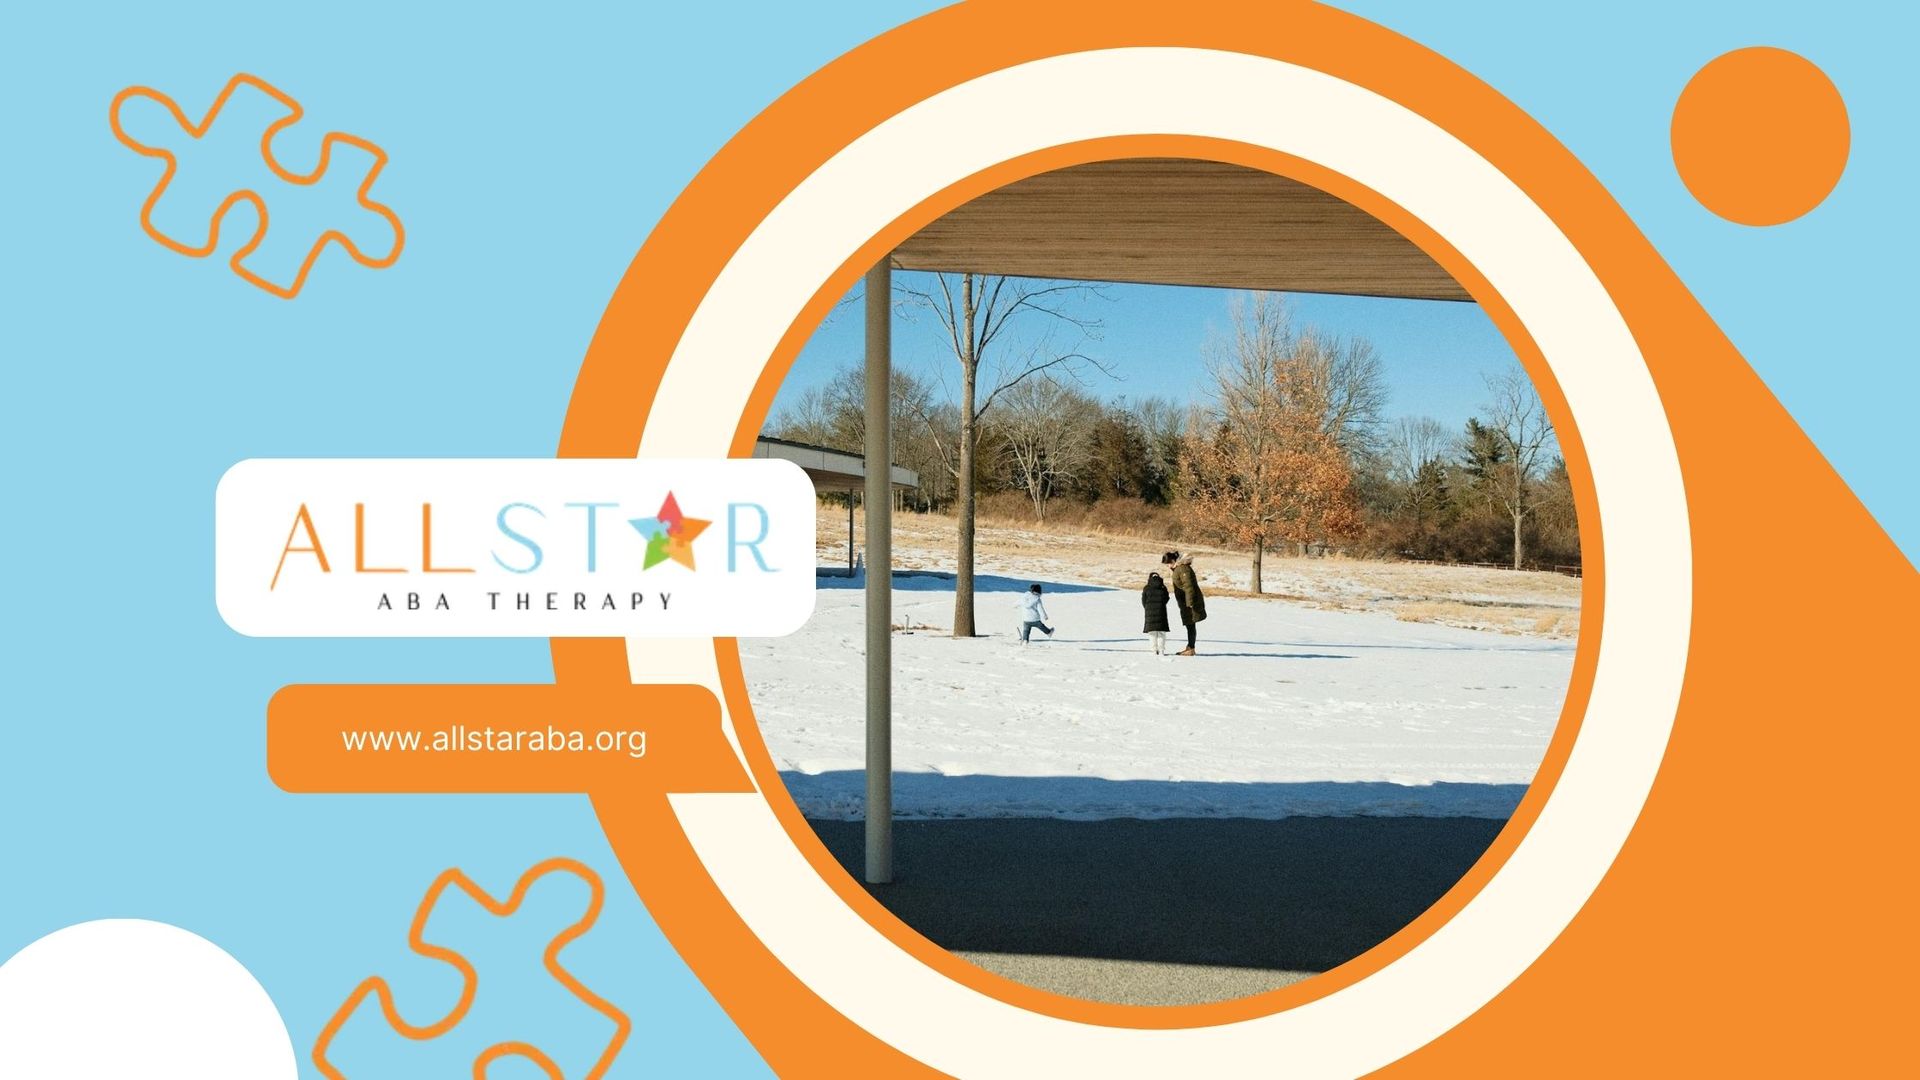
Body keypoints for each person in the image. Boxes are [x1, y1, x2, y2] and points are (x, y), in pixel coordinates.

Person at [1162, 550, 1206, 656]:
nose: (1168, 566)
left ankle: (1191, 648)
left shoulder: (1182, 569)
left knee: (1191, 624)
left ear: (1173, 561)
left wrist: (1190, 602)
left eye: (1168, 563)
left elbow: (1189, 586)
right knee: (1190, 624)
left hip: (1189, 603)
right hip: (1185, 602)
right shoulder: (1179, 568)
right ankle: (1190, 647)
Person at [1141, 570, 1171, 655]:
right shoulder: (1163, 587)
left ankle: (1154, 650)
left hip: (1149, 612)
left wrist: (1147, 608)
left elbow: (1143, 600)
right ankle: (1161, 650)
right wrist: (1161, 605)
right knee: (1161, 632)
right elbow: (1167, 598)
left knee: (1152, 632)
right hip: (1161, 611)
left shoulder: (1147, 587)